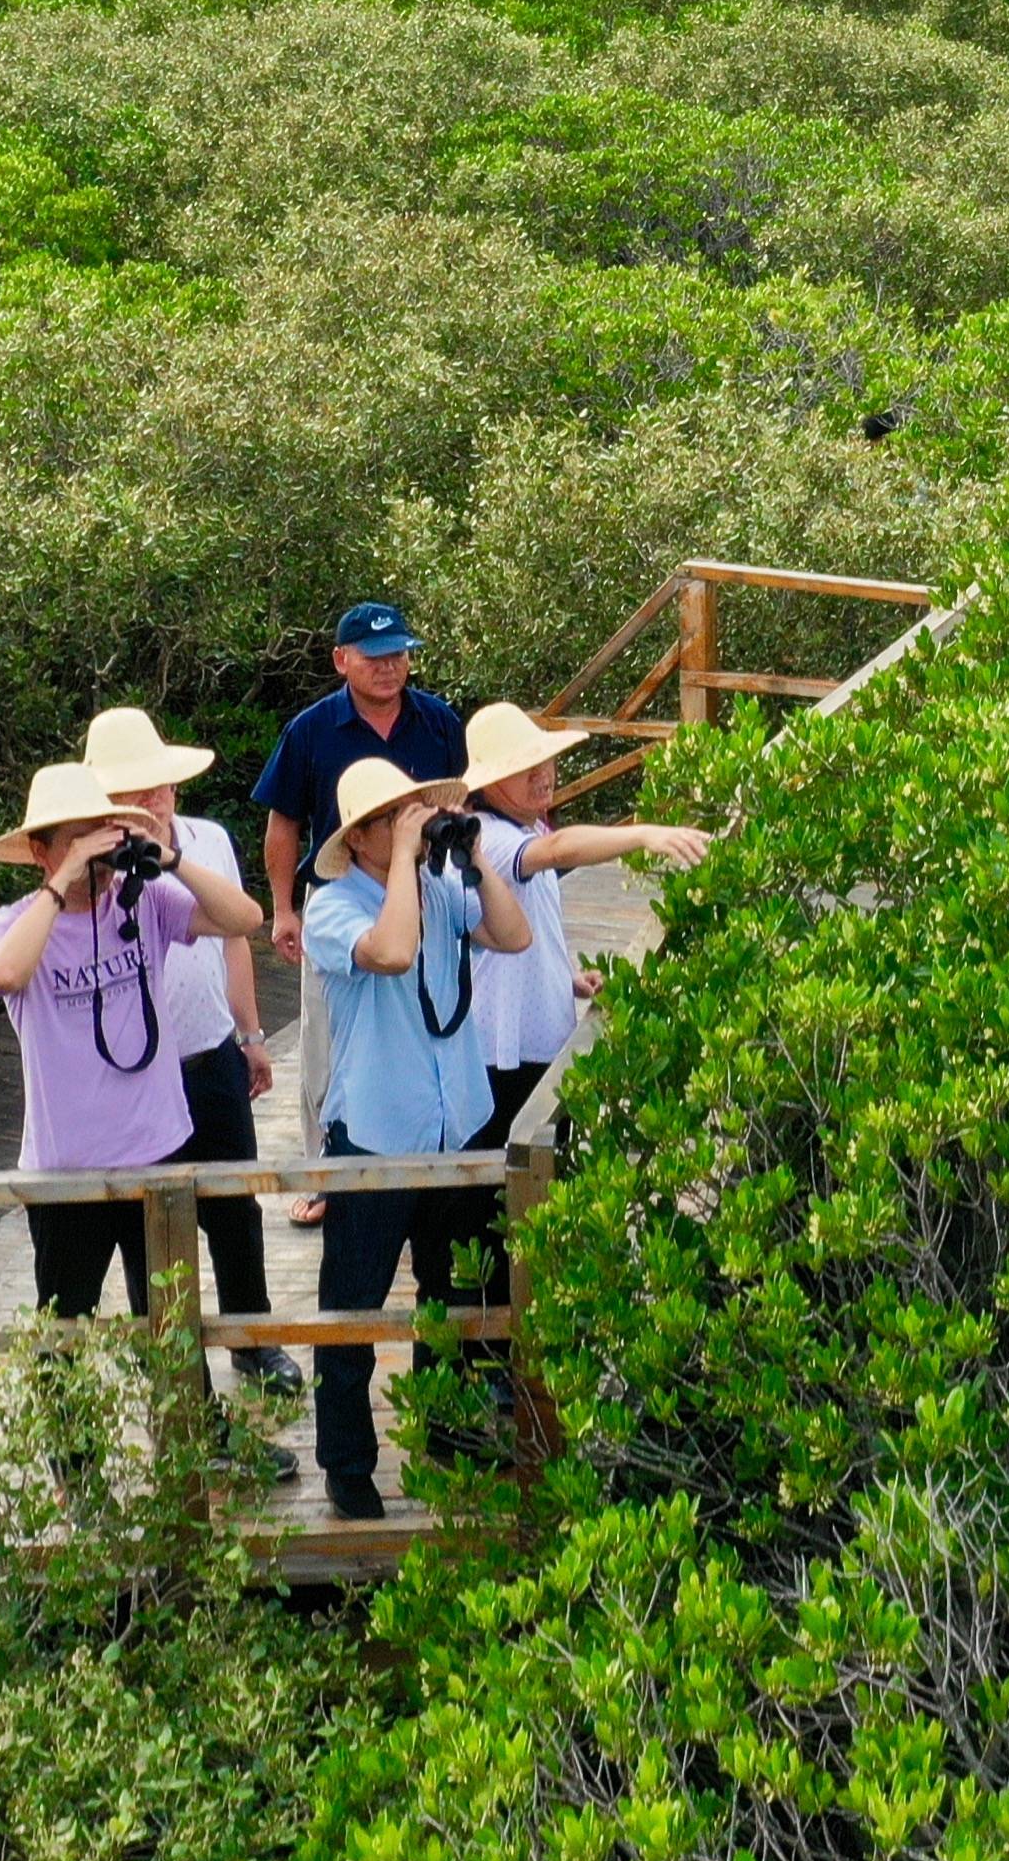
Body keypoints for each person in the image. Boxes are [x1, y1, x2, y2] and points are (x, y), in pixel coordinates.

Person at [295, 751, 527, 1522]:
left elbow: (514, 935)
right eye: (392, 818)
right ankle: (347, 1462)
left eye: (412, 813)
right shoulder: (333, 905)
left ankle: (444, 1425)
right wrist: (404, 858)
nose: (410, 826)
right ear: (359, 836)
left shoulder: (438, 884)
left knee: (451, 1291)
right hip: (375, 1135)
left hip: (453, 1124)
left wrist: (475, 857)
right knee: (352, 1307)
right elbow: (392, 952)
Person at [0, 757, 250, 1320]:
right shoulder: (12, 925)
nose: (95, 855)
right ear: (40, 852)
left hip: (158, 1150)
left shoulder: (145, 901)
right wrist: (63, 882)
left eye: (101, 836)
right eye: (78, 840)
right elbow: (4, 973)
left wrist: (169, 859)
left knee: (171, 1327)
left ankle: (194, 1392)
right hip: (67, 1170)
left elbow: (243, 919)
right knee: (62, 1335)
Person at [76, 708, 283, 1385]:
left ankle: (253, 1339)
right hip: (136, 1079)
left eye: (159, 784)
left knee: (236, 1208)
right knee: (151, 1231)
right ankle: (172, 1367)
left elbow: (236, 937)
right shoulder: (88, 870)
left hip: (210, 1051)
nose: (152, 799)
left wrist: (250, 1033)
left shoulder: (208, 841)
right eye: (132, 790)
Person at [454, 700, 712, 1154]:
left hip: (537, 1039)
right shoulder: (487, 836)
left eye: (545, 761)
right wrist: (644, 834)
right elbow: (559, 850)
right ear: (490, 782)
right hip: (505, 1051)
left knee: (544, 1167)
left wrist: (565, 978)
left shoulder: (527, 827)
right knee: (511, 1175)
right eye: (525, 768)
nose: (543, 775)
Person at [255, 600, 465, 966]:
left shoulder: (439, 721)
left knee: (436, 994)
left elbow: (467, 800)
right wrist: (283, 910)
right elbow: (284, 822)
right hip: (339, 900)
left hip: (430, 890)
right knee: (337, 1003)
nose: (388, 667)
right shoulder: (310, 730)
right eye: (373, 657)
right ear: (341, 660)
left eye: (397, 654)